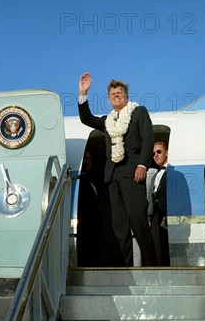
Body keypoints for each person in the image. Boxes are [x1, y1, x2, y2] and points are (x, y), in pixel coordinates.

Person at [78, 72, 158, 267]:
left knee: (137, 220)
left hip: (133, 173)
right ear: (108, 98)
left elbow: (148, 139)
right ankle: (127, 266)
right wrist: (83, 93)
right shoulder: (108, 120)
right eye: (112, 93)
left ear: (126, 96)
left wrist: (142, 165)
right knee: (119, 225)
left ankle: (153, 266)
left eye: (120, 92)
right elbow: (87, 118)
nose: (116, 95)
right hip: (112, 177)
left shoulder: (138, 112)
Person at [150, 141, 170, 266]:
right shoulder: (156, 174)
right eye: (153, 153)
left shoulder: (172, 172)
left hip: (167, 217)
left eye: (159, 152)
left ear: (167, 153)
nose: (155, 155)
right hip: (157, 217)